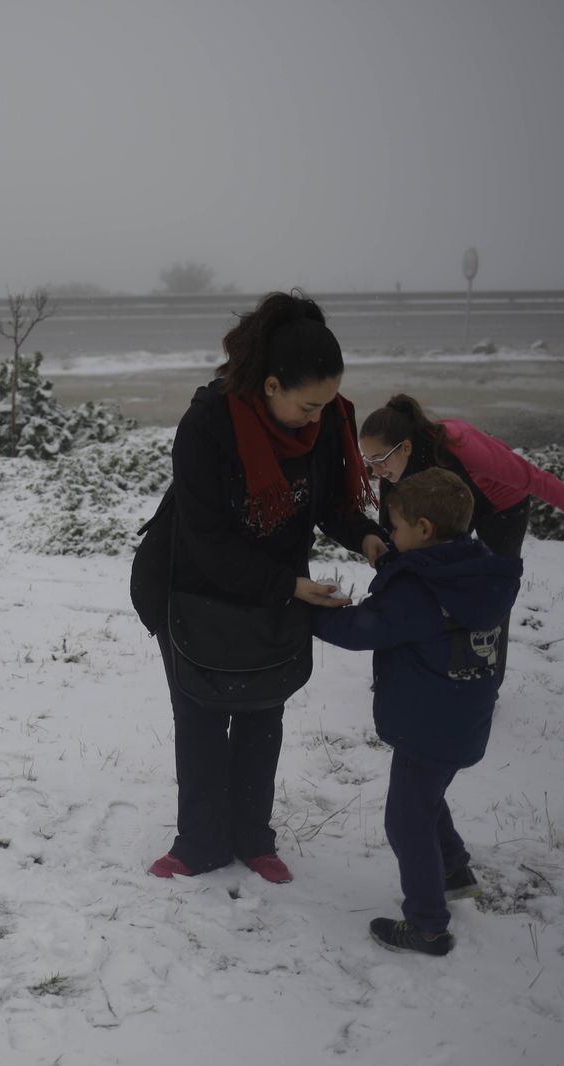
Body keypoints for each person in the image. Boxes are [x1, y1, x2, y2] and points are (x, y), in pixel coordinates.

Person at [148, 291, 385, 885]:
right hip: (193, 586)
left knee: (262, 711)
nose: (320, 417)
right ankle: (198, 843)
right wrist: (291, 586)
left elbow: (331, 501)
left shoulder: (324, 419)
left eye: (327, 404)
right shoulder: (207, 423)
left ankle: (254, 837)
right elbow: (202, 539)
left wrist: (371, 540)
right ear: (272, 385)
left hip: (276, 588)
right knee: (200, 716)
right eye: (309, 405)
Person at [312, 467, 522, 955]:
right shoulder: (471, 573)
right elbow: (419, 606)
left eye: (397, 528)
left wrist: (310, 613)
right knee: (429, 797)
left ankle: (427, 925)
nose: (392, 535)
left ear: (424, 530)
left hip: (425, 723)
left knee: (406, 821)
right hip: (462, 716)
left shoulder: (420, 590)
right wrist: (396, 564)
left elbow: (363, 629)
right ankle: (453, 869)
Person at [358, 394, 564, 560]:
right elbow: (390, 518)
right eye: (369, 462)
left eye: (379, 461)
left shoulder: (464, 448)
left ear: (406, 446)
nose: (376, 471)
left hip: (501, 507)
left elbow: (534, 478)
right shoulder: (393, 460)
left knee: (494, 584)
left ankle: (490, 648)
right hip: (451, 503)